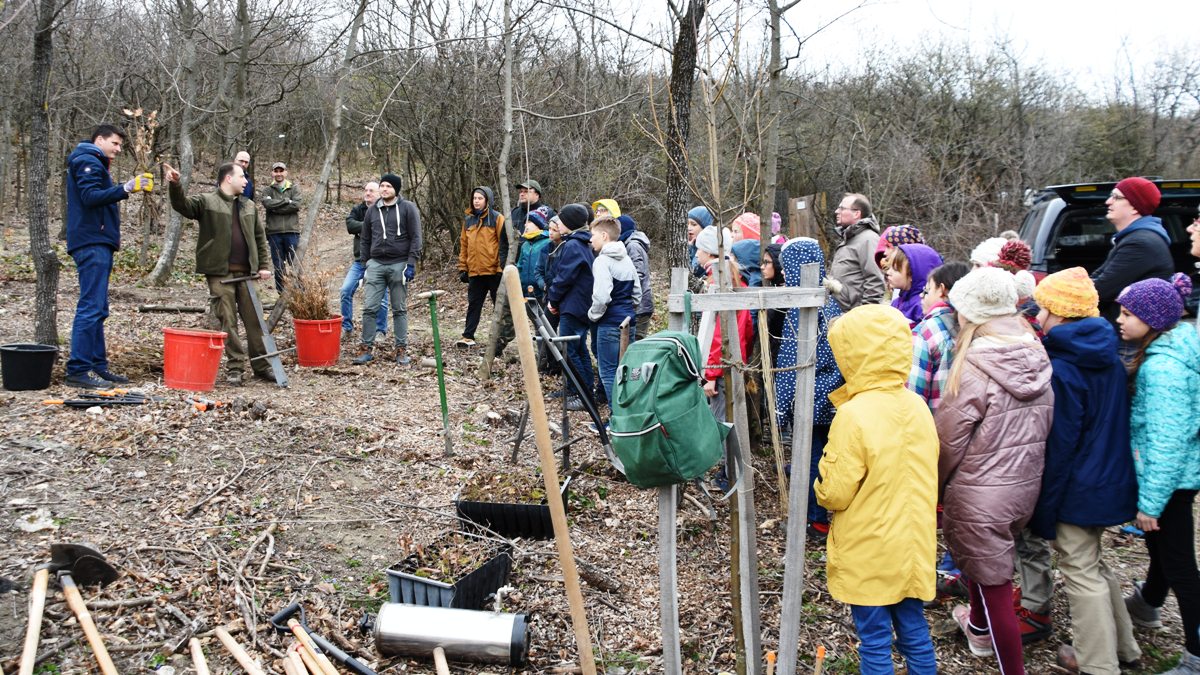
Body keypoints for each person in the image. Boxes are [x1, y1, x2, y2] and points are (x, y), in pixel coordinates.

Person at [936, 267, 1054, 675]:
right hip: (1023, 483)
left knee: (996, 586)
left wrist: (934, 486)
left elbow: (949, 439)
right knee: (983, 564)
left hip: (979, 490)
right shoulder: (1035, 352)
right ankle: (977, 623)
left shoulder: (973, 365)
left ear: (969, 312)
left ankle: (1006, 661)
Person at [1024, 267, 1141, 675]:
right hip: (1108, 476)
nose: (1037, 317)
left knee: (1080, 572)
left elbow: (1060, 444)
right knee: (1096, 566)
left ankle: (1098, 665)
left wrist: (1046, 505)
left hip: (1079, 484)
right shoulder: (1105, 353)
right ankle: (1125, 649)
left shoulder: (1064, 365)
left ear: (1059, 314)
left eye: (1042, 310)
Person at [814, 303, 939, 675]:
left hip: (870, 546)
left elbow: (835, 491)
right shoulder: (917, 406)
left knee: (875, 640)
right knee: (915, 631)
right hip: (914, 543)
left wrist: (820, 488)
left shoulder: (854, 414)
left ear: (854, 356)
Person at [1117, 275, 1200, 675]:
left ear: (1153, 319)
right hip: (1171, 479)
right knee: (1161, 550)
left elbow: (1167, 440)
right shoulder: (1169, 348)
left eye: (1128, 313)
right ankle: (1148, 603)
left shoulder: (1163, 370)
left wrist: (1151, 502)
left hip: (1170, 482)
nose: (1119, 319)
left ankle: (1196, 656)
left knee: (1182, 566)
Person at [165, 161, 272, 386]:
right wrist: (175, 185)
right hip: (219, 274)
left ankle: (262, 366)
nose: (246, 181)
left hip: (247, 274)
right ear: (228, 178)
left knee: (255, 322)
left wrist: (262, 265)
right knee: (228, 322)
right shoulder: (207, 201)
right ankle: (235, 368)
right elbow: (182, 205)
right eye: (242, 176)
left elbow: (260, 238)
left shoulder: (249, 206)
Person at [64, 124, 151, 388]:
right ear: (99, 140)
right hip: (91, 241)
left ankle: (98, 367)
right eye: (114, 143)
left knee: (99, 307)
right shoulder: (86, 161)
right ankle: (78, 370)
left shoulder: (94, 162)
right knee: (91, 306)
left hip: (99, 241)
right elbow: (90, 197)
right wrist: (126, 188)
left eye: (121, 145)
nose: (118, 149)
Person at [774, 238, 844, 539]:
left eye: (785, 268)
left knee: (811, 457)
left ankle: (815, 519)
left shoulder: (803, 311)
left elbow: (792, 363)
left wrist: (779, 408)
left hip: (811, 399)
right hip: (832, 396)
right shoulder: (831, 302)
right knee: (824, 455)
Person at [353, 173, 422, 366]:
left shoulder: (408, 208)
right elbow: (365, 238)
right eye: (382, 186)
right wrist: (365, 263)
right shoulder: (372, 211)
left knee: (399, 309)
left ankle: (401, 350)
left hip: (399, 264)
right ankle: (366, 348)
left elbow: (416, 237)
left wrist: (411, 263)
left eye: (388, 186)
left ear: (396, 189)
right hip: (376, 264)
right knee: (369, 308)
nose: (384, 189)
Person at [1092, 177, 1174, 326]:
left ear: (1135, 207)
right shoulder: (1133, 238)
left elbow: (1101, 290)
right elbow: (1097, 277)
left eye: (1116, 197)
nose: (1108, 201)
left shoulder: (1141, 243)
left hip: (1128, 340)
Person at [587, 217, 641, 410]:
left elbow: (601, 297)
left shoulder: (602, 261)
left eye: (592, 235)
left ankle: (616, 419)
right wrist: (627, 309)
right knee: (625, 371)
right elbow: (637, 294)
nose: (590, 240)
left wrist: (593, 316)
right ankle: (628, 417)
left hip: (610, 323)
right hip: (629, 321)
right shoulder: (626, 259)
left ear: (604, 235)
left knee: (609, 372)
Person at [546, 203, 596, 411]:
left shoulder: (574, 245)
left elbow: (564, 277)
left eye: (561, 219)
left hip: (574, 306)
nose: (558, 222)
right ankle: (580, 389)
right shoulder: (582, 243)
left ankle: (583, 394)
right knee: (579, 348)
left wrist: (553, 300)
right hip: (579, 305)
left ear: (569, 223)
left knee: (569, 350)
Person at [908, 261, 970, 411]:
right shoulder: (975, 326)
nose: (921, 297)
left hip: (933, 424)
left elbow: (914, 395)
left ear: (942, 290)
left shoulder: (925, 332)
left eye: (927, 291)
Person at [457, 186, 506, 348]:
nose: (476, 201)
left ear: (487, 200)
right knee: (474, 305)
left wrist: (501, 268)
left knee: (499, 307)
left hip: (493, 271)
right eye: (474, 198)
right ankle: (467, 336)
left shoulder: (497, 218)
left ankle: (501, 338)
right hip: (475, 272)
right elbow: (464, 245)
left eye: (480, 198)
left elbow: (503, 244)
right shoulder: (468, 220)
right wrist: (463, 268)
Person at [340, 181, 388, 339]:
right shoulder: (358, 209)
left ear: (379, 193)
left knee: (381, 296)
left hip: (379, 261)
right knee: (345, 291)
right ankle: (346, 327)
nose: (367, 193)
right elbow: (350, 225)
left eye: (371, 191)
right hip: (360, 261)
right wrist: (368, 225)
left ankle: (380, 330)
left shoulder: (386, 210)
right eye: (366, 190)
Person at [825, 192, 885, 310]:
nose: (837, 211)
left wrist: (864, 313)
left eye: (842, 208)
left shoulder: (868, 239)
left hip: (855, 315)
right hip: (843, 313)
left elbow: (875, 281)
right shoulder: (850, 238)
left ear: (857, 213)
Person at [261, 162, 301, 292]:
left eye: (281, 171)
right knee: (278, 266)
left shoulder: (294, 188)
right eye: (276, 171)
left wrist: (276, 207)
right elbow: (267, 204)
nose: (278, 173)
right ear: (272, 173)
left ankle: (300, 293)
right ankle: (281, 294)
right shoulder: (267, 190)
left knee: (295, 264)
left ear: (286, 172)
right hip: (274, 232)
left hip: (292, 231)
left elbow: (296, 206)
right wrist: (285, 201)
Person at [884, 243, 943, 325]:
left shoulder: (921, 307)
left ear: (912, 274)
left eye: (895, 269)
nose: (888, 272)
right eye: (889, 267)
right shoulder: (897, 302)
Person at [618, 215, 653, 340]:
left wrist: (626, 293)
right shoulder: (630, 244)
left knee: (636, 343)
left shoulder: (632, 245)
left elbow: (638, 273)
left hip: (640, 305)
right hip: (640, 304)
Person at [516, 207, 552, 303]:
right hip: (525, 292)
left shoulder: (548, 242)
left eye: (529, 222)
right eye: (525, 222)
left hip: (542, 292)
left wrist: (544, 285)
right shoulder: (525, 245)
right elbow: (520, 266)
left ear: (538, 224)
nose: (525, 225)